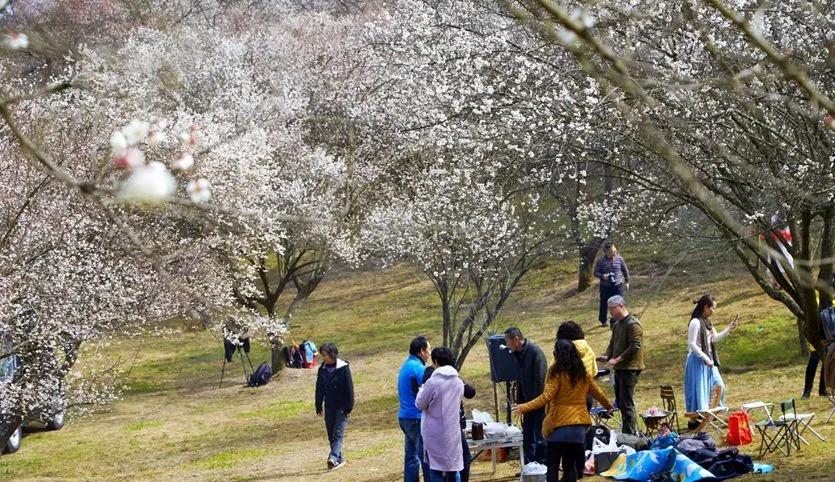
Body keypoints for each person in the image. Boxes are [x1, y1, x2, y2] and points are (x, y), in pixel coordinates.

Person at [513, 340, 614, 482]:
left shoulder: (556, 373)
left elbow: (546, 397)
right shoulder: (583, 373)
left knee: (553, 464)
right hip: (578, 426)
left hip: (559, 424)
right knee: (569, 466)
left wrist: (524, 407)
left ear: (557, 354)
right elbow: (598, 392)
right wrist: (609, 406)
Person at [415, 347, 465, 482]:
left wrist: (421, 389)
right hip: (453, 432)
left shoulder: (433, 382)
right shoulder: (458, 382)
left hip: (434, 433)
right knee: (453, 469)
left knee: (435, 469)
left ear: (435, 361)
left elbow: (420, 404)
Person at [683, 295, 738, 414]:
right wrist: (705, 358)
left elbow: (714, 338)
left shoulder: (708, 323)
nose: (714, 311)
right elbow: (692, 344)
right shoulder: (695, 322)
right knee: (700, 390)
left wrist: (728, 328)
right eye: (713, 308)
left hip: (709, 360)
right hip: (697, 360)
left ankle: (715, 412)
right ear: (706, 307)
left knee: (719, 385)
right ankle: (698, 416)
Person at [598, 295, 644, 435]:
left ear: (621, 306)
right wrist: (607, 356)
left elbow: (635, 345)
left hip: (630, 368)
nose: (610, 312)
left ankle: (630, 434)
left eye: (612, 309)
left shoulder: (633, 324)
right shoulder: (617, 325)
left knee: (626, 403)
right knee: (620, 402)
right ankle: (626, 431)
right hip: (619, 369)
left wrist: (617, 359)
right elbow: (613, 344)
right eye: (609, 309)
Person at [423, 363, 476, 482]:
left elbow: (471, 392)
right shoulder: (433, 376)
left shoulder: (440, 377)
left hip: (440, 426)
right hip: (447, 426)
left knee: (443, 464)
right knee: (451, 462)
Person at [504, 326, 547, 464]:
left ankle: (542, 465)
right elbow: (520, 380)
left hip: (538, 404)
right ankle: (529, 466)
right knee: (527, 437)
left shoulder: (535, 352)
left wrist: (531, 404)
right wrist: (520, 403)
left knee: (539, 437)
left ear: (516, 340)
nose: (507, 345)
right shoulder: (517, 355)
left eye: (508, 342)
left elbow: (540, 381)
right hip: (526, 405)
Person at [315, 343, 354, 471]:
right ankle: (339, 459)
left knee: (338, 433)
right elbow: (319, 388)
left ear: (332, 354)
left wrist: (349, 407)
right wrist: (318, 405)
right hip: (329, 405)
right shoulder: (322, 369)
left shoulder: (343, 368)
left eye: (325, 355)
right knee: (331, 433)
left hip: (342, 406)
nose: (324, 358)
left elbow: (349, 389)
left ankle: (333, 457)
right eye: (323, 355)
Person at [398, 336, 431, 482]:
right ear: (422, 351)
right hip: (416, 418)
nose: (430, 353)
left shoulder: (406, 364)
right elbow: (428, 392)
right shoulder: (418, 368)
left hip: (404, 417)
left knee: (411, 456)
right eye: (429, 349)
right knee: (425, 455)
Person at [594, 243, 630, 327]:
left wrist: (627, 282)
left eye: (614, 250)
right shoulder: (600, 261)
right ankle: (603, 320)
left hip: (618, 285)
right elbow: (595, 273)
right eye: (611, 251)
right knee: (604, 303)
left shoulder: (619, 259)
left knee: (619, 303)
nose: (614, 252)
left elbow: (625, 270)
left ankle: (616, 320)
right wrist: (603, 276)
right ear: (606, 252)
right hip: (605, 286)